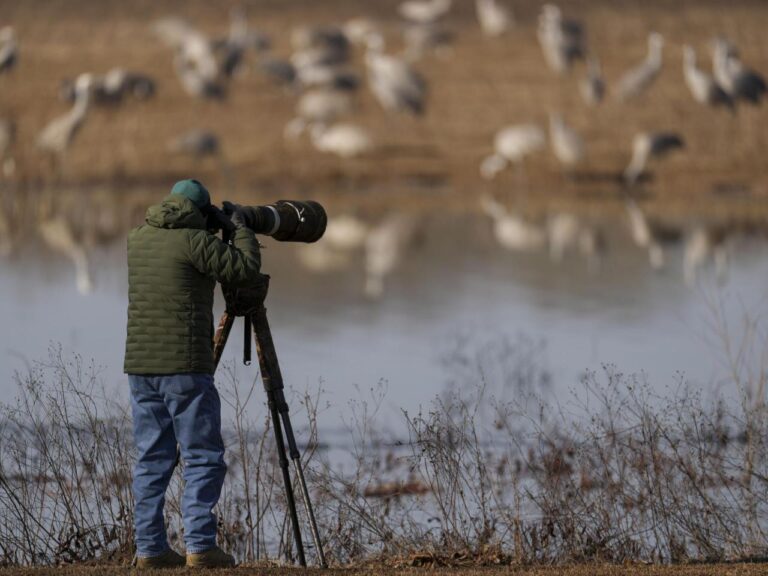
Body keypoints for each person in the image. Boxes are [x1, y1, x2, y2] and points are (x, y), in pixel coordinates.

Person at [124, 179, 260, 569]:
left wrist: (211, 223)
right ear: (202, 214)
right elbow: (246, 269)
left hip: (140, 368)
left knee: (152, 458)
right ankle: (200, 546)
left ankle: (150, 550)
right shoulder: (195, 242)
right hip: (184, 366)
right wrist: (238, 229)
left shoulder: (137, 238)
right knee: (203, 454)